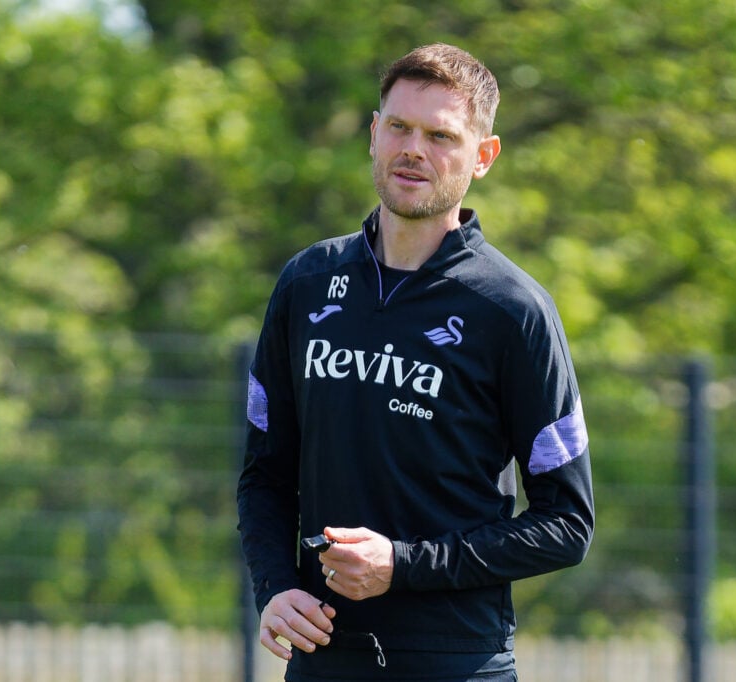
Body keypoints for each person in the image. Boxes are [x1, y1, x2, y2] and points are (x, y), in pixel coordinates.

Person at [237, 43, 595, 682]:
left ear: (483, 157)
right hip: (322, 659)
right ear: (373, 135)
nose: (413, 149)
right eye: (399, 127)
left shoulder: (513, 310)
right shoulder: (306, 282)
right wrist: (273, 587)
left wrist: (403, 564)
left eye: (441, 135)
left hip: (456, 662)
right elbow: (265, 475)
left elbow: (566, 523)